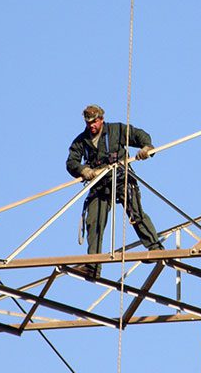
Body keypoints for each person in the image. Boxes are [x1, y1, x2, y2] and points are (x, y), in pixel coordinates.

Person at [66, 104, 164, 280]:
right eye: (89, 123)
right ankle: (92, 266)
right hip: (99, 183)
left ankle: (155, 249)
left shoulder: (116, 130)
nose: (92, 126)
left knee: (135, 213)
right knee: (94, 221)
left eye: (94, 122)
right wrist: (83, 170)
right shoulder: (81, 141)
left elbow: (139, 136)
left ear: (101, 119)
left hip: (121, 177)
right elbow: (71, 162)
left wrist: (146, 147)